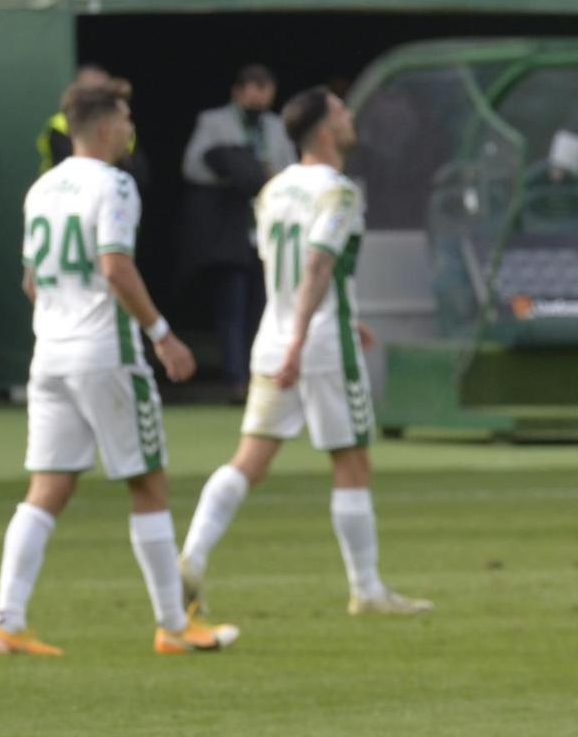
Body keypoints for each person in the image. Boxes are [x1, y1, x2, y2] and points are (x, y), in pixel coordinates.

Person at [0, 80, 236, 658]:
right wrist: (163, 335)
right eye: (125, 119)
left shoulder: (42, 188)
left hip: (49, 351)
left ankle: (7, 622)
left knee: (47, 488)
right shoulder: (116, 185)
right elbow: (116, 267)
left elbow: (31, 282)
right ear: (104, 128)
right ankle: (174, 624)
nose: (130, 129)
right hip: (106, 352)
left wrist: (64, 319)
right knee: (148, 483)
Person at [180, 88, 430, 619]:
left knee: (250, 458)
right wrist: (307, 335)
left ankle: (193, 554)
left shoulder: (273, 190)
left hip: (272, 337)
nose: (349, 118)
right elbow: (317, 265)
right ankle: (366, 590)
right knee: (352, 461)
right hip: (315, 343)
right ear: (322, 131)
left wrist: (306, 328)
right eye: (340, 112)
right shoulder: (338, 192)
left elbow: (286, 270)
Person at [180, 65, 296, 393]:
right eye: (251, 87)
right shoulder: (213, 122)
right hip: (228, 227)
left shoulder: (277, 127)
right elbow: (192, 167)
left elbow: (290, 169)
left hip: (268, 228)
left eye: (264, 87)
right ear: (238, 90)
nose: (257, 94)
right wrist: (235, 171)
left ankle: (263, 372)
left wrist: (269, 176)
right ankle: (235, 378)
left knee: (265, 304)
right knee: (232, 304)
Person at [37, 64, 150, 195]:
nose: (100, 99)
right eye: (94, 93)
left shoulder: (124, 128)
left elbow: (141, 176)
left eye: (106, 93)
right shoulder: (59, 125)